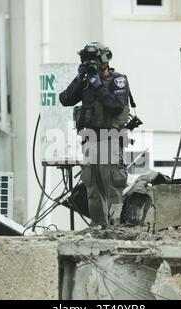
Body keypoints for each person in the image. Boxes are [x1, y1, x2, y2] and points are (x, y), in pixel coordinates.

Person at [60, 42, 131, 227]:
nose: (92, 64)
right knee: (92, 187)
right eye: (87, 60)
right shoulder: (86, 83)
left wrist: (99, 86)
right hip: (90, 140)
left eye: (94, 60)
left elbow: (116, 106)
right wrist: (80, 77)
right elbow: (65, 99)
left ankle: (115, 226)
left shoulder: (117, 81)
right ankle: (99, 226)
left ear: (105, 60)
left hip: (111, 140)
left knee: (112, 187)